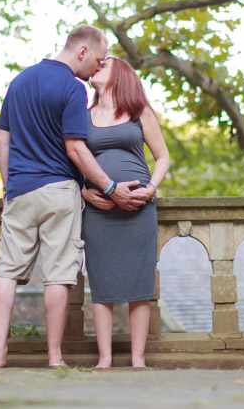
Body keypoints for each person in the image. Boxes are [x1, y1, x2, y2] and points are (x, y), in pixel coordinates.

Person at [0, 25, 148, 369]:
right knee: (58, 274)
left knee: (6, 271)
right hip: (59, 190)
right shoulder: (72, 87)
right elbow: (75, 147)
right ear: (82, 52)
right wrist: (108, 187)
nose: (97, 67)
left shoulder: (20, 81)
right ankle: (55, 357)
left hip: (19, 191)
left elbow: (3, 139)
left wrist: (8, 186)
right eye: (99, 59)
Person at [81, 56, 170, 369]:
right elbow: (76, 158)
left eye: (104, 64)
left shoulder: (138, 111)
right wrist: (85, 191)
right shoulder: (83, 114)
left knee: (138, 285)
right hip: (99, 212)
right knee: (101, 286)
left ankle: (137, 359)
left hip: (138, 211)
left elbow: (162, 157)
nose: (96, 66)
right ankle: (104, 359)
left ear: (120, 74)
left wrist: (152, 187)